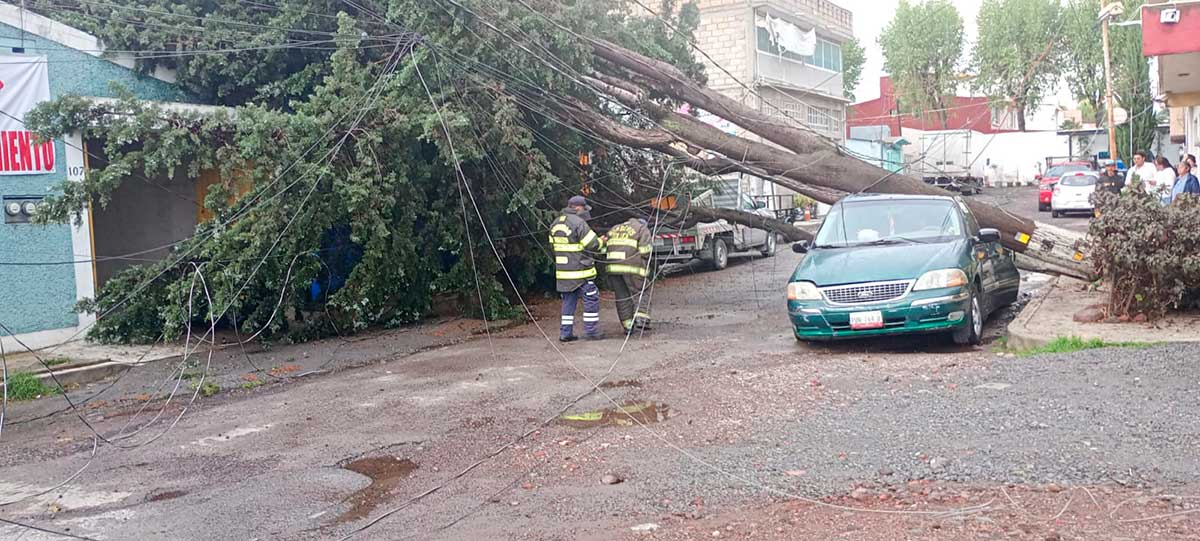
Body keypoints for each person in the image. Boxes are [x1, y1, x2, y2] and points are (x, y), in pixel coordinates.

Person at [550, 195, 605, 342]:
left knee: (568, 302)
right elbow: (592, 244)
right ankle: (591, 331)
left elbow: (553, 246)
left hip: (563, 272)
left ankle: (565, 333)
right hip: (581, 271)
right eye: (584, 209)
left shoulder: (555, 223)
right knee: (591, 298)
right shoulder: (578, 222)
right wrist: (602, 241)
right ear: (578, 208)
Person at [605, 216, 654, 335]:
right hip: (632, 267)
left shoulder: (615, 228)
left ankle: (628, 326)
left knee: (622, 296)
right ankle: (641, 320)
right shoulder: (642, 229)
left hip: (613, 268)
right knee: (642, 290)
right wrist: (646, 261)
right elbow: (645, 251)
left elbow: (604, 248)